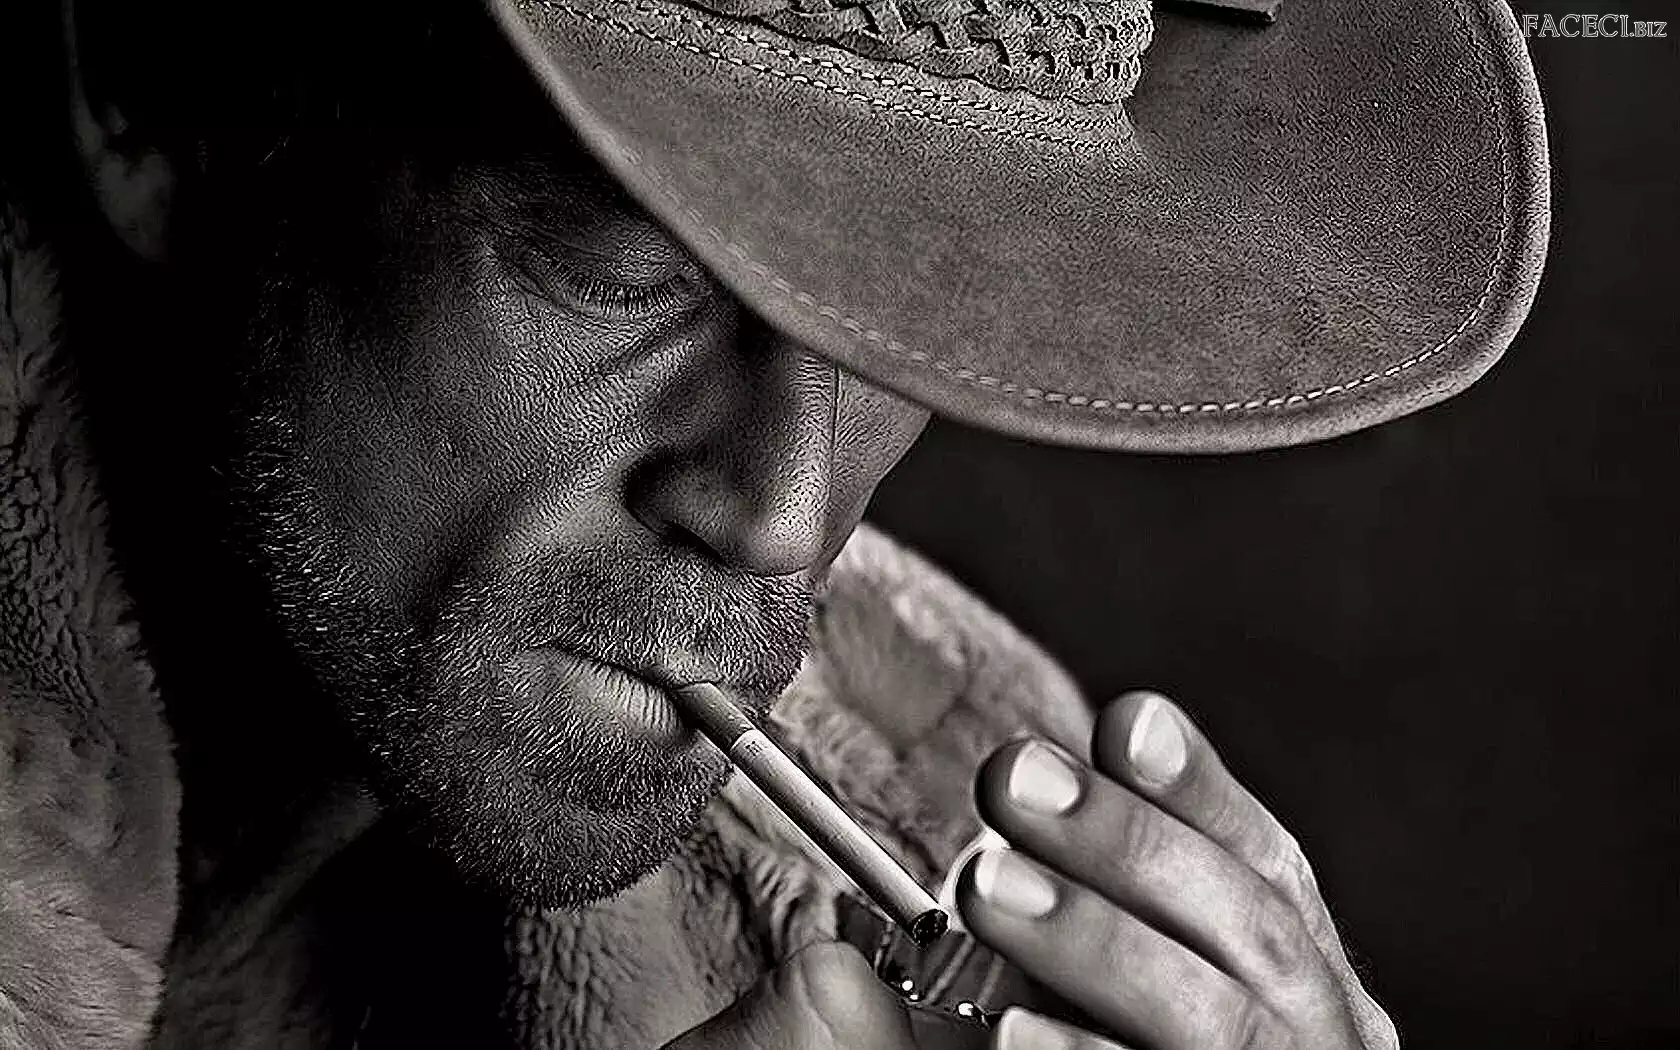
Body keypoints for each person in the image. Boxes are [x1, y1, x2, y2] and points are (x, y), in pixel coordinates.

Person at [0, 0, 1548, 1046]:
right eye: (628, 268)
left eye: (917, 331)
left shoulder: (960, 840)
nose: (784, 515)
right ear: (162, 84)